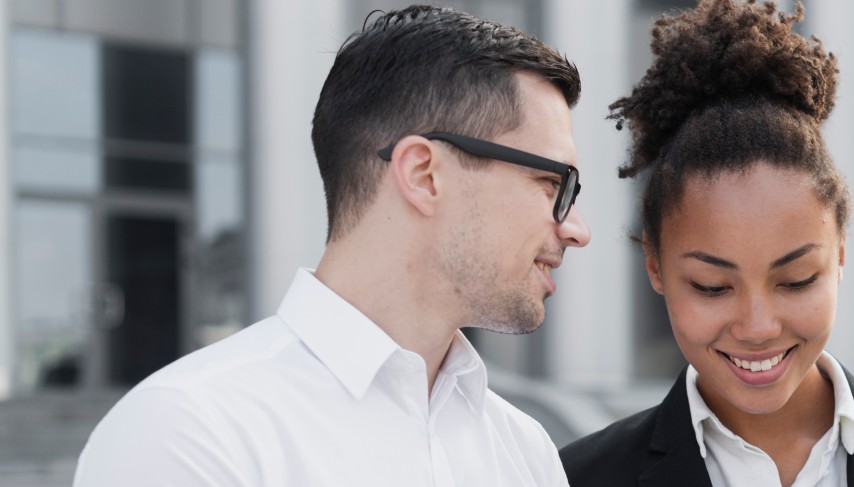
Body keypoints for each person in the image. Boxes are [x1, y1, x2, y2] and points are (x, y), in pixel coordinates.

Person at [74, 6, 590, 486]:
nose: (577, 230)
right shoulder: (188, 432)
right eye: (551, 185)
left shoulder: (524, 450)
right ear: (424, 175)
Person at [559, 1, 854, 486]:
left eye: (795, 281)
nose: (758, 327)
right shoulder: (581, 477)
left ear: (839, 256)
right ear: (656, 267)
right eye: (712, 286)